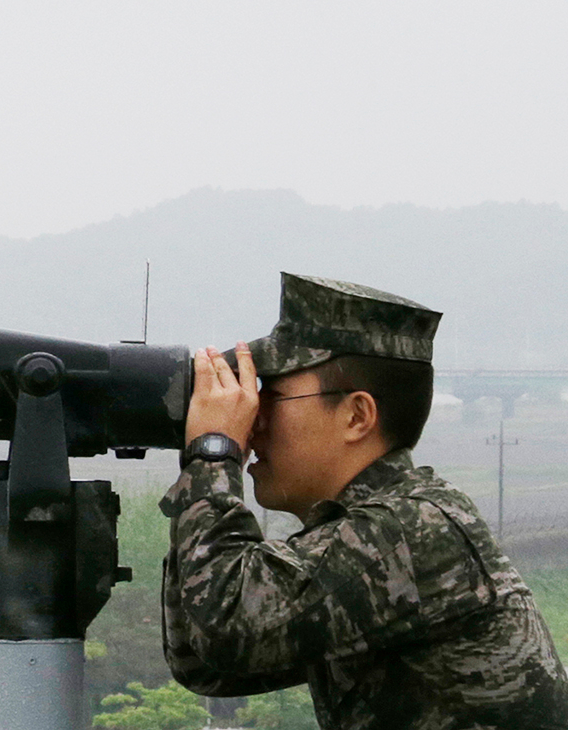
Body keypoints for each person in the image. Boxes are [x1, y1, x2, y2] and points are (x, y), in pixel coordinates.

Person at [160, 273, 568, 729]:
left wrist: (213, 450)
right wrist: (204, 460)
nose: (253, 423)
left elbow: (228, 628)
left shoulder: (415, 528)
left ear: (357, 415)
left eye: (269, 398)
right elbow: (203, 660)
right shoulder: (371, 526)